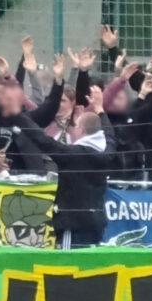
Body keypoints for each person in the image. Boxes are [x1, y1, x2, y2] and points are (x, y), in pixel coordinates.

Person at [12, 89, 122, 247]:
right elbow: (110, 136)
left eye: (77, 126)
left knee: (69, 267)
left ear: (82, 130)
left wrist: (18, 115)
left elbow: (43, 140)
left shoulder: (72, 154)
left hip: (73, 224)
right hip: (96, 222)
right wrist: (100, 110)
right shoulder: (107, 151)